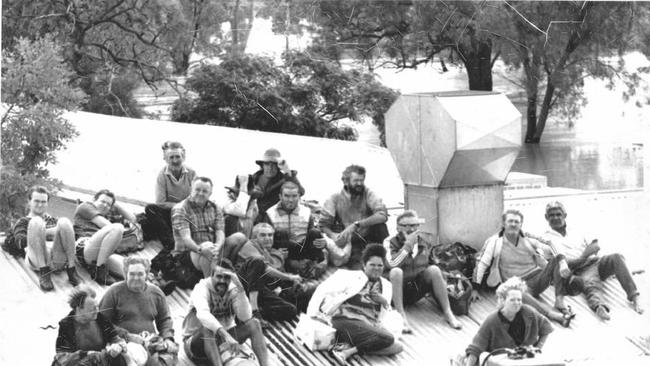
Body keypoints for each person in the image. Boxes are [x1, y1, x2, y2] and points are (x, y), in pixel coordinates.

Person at [540, 201, 643, 320]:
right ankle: (600, 307)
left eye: (558, 214)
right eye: (551, 215)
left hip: (595, 262)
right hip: (577, 270)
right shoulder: (545, 238)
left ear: (565, 215)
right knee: (590, 281)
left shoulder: (577, 229)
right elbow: (556, 262)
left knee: (617, 257)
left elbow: (595, 246)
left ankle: (634, 297)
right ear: (546, 217)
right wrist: (581, 260)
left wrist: (581, 258)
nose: (555, 218)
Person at [472, 209, 575, 327]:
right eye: (510, 221)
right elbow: (481, 263)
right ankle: (554, 316)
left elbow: (550, 243)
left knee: (557, 260)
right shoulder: (494, 241)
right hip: (517, 284)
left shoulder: (528, 236)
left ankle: (559, 301)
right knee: (515, 293)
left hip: (537, 278)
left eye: (517, 222)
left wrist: (562, 262)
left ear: (521, 224)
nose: (513, 224)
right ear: (503, 224)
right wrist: (475, 288)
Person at [307, 244, 403, 363]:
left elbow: (384, 315)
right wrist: (312, 316)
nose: (376, 268)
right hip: (344, 320)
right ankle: (347, 350)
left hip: (366, 326)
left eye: (380, 265)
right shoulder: (350, 276)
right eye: (372, 264)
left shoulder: (386, 286)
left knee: (398, 347)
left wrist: (383, 301)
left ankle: (347, 349)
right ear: (364, 265)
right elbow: (321, 290)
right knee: (387, 338)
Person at [384, 210, 461, 331]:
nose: (410, 229)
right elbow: (392, 264)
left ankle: (448, 312)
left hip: (414, 291)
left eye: (414, 225)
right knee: (396, 272)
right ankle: (400, 315)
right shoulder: (389, 242)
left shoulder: (424, 243)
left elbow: (431, 265)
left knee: (434, 270)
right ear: (398, 228)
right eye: (406, 226)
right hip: (394, 293)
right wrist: (408, 245)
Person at [182, 261, 269, 366]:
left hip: (223, 342)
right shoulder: (201, 288)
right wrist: (226, 336)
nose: (222, 281)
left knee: (254, 323)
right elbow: (203, 315)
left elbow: (245, 317)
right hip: (196, 344)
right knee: (208, 328)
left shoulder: (233, 289)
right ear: (211, 276)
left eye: (226, 277)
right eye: (219, 277)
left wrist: (241, 290)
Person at [222, 223, 313, 325]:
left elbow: (274, 273)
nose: (268, 238)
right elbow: (266, 269)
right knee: (258, 262)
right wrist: (290, 277)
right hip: (240, 285)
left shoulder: (267, 252)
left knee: (291, 310)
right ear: (255, 237)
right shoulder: (249, 245)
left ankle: (250, 312)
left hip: (257, 290)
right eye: (263, 235)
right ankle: (254, 310)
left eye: (270, 235)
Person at [99, 257, 178, 363]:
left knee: (168, 356)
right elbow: (101, 322)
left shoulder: (156, 293)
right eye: (132, 274)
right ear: (125, 274)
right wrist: (127, 336)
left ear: (147, 275)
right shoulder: (114, 292)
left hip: (149, 342)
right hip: (123, 344)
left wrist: (168, 338)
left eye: (140, 274)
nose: (136, 278)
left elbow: (165, 319)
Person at [464, 277, 553, 366]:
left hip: (526, 360)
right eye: (512, 300)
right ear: (503, 300)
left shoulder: (529, 313)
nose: (517, 303)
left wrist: (538, 348)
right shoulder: (492, 320)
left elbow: (546, 328)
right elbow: (475, 348)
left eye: (519, 300)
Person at [6, 185, 80, 291]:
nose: (40, 205)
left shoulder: (53, 220)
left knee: (65, 221)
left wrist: (60, 232)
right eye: (36, 201)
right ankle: (44, 272)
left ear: (47, 203)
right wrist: (48, 232)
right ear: (29, 202)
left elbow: (73, 236)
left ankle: (71, 270)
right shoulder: (23, 222)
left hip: (56, 260)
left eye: (43, 201)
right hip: (37, 260)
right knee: (36, 221)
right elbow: (20, 242)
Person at [320, 165, 389, 269]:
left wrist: (357, 224)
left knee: (381, 226)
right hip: (351, 241)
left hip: (370, 236)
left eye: (362, 180)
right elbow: (323, 225)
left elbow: (382, 215)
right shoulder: (334, 198)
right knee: (359, 268)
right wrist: (333, 235)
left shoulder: (368, 193)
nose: (360, 184)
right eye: (356, 180)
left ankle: (385, 257)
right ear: (345, 181)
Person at [261, 180, 328, 278]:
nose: (291, 200)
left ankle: (311, 265)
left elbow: (314, 233)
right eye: (287, 196)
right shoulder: (270, 213)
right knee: (281, 233)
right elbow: (265, 238)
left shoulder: (306, 212)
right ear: (280, 196)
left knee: (315, 232)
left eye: (294, 196)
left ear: (299, 197)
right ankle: (289, 265)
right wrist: (276, 253)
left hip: (302, 248)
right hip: (283, 251)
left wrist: (323, 242)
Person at [52, 286, 129, 366]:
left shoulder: (100, 318)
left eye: (97, 307)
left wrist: (119, 345)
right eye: (92, 309)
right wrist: (86, 354)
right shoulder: (66, 325)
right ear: (79, 309)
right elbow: (61, 357)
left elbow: (115, 338)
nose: (97, 311)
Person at [74, 189, 136, 286]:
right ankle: (98, 270)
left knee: (134, 269)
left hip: (103, 255)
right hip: (85, 248)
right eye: (102, 201)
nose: (105, 205)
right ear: (94, 199)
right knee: (118, 227)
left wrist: (115, 204)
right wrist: (109, 205)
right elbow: (107, 226)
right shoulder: (85, 207)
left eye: (108, 204)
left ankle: (155, 287)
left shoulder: (106, 216)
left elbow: (133, 218)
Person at [170, 176, 224, 288]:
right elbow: (186, 239)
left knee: (239, 238)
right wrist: (202, 249)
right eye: (197, 189)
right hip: (187, 253)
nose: (200, 193)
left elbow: (220, 232)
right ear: (191, 189)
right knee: (207, 247)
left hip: (212, 250)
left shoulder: (215, 207)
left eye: (205, 191)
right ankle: (210, 286)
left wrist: (217, 247)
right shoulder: (181, 208)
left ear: (210, 193)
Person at [143, 141, 196, 250]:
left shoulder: (192, 173)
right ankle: (170, 243)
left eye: (178, 157)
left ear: (184, 156)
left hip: (187, 214)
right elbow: (160, 202)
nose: (175, 161)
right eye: (171, 157)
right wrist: (179, 206)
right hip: (171, 212)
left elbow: (196, 198)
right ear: (165, 158)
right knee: (150, 209)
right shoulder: (162, 175)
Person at [239, 147, 303, 215]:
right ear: (262, 165)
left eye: (274, 164)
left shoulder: (284, 181)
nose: (270, 167)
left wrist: (287, 171)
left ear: (278, 167)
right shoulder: (251, 180)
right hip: (252, 218)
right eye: (267, 164)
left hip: (273, 219)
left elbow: (300, 192)